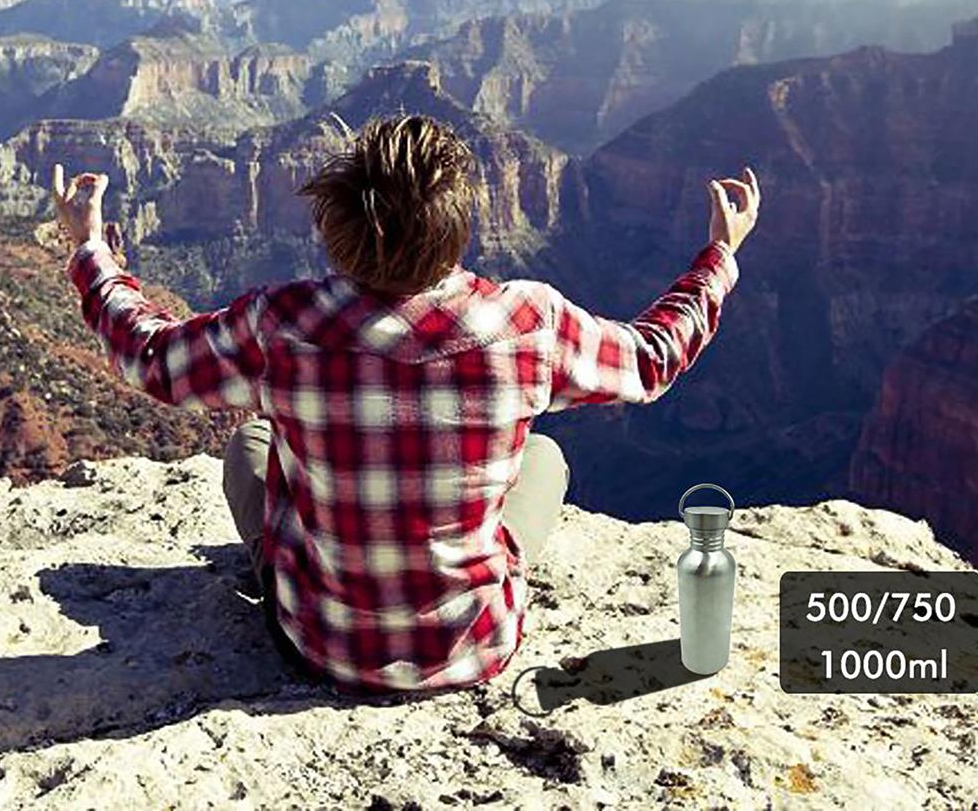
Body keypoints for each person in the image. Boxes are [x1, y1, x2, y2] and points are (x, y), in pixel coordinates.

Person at [52, 113, 759, 695]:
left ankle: (309, 565)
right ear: (461, 231)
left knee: (250, 445)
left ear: (333, 232)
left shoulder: (281, 326)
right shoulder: (527, 323)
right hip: (477, 648)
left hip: (319, 645)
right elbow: (652, 358)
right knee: (543, 455)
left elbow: (150, 355)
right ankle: (473, 563)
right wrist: (719, 257)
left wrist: (89, 251)